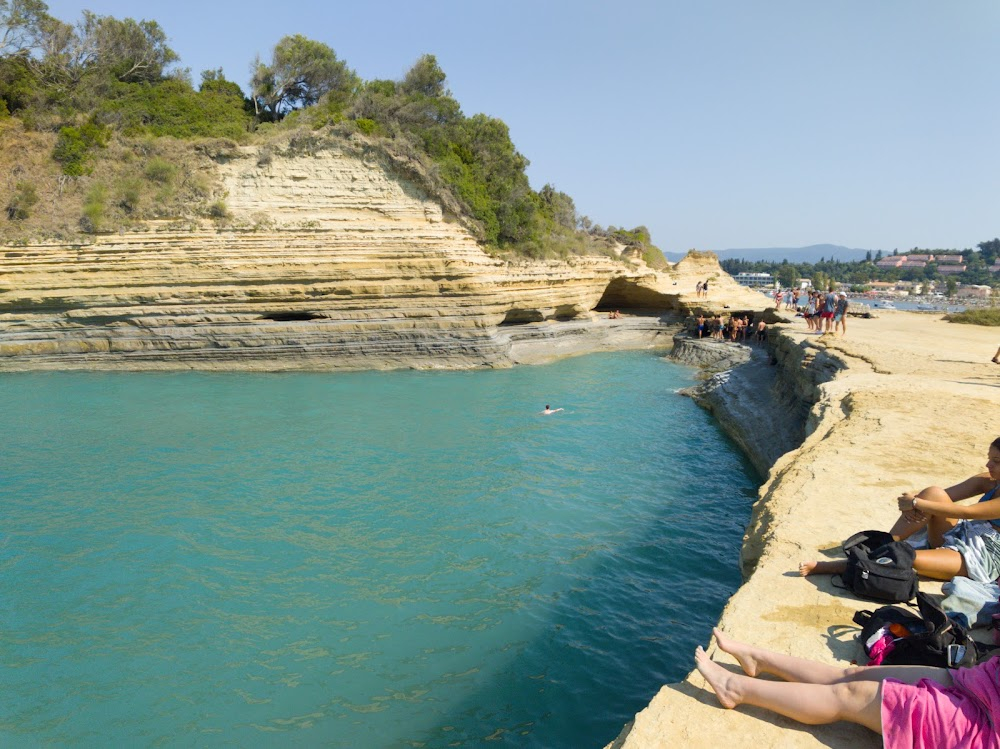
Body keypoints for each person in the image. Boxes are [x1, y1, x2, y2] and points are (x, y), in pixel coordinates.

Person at [695, 627, 1000, 745]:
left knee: (852, 696)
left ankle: (735, 689)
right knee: (855, 675)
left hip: (988, 727)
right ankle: (757, 660)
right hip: (982, 682)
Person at [800, 437, 1000, 582]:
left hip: (983, 556)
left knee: (905, 559)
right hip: (965, 533)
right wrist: (918, 500)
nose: (988, 464)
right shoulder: (990, 480)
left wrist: (915, 504)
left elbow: (968, 512)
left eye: (996, 461)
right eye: (989, 458)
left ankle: (836, 567)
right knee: (933, 493)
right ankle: (883, 544)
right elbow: (944, 498)